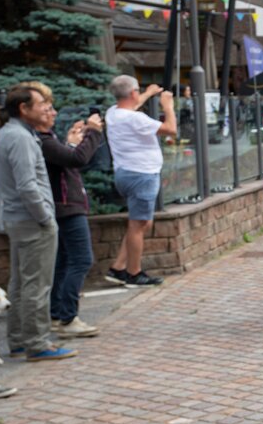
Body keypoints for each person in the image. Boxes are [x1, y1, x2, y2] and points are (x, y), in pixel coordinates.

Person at [0, 85, 75, 361]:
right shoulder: (20, 138)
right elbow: (27, 186)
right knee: (37, 284)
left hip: (18, 220)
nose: (47, 107)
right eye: (41, 103)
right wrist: (45, 217)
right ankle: (37, 344)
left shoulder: (9, 134)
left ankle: (18, 341)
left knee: (21, 282)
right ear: (24, 109)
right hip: (31, 221)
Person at [27, 82, 102, 339]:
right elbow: (77, 160)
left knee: (62, 263)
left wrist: (71, 143)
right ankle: (68, 318)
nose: (54, 113)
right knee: (81, 259)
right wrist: (93, 133)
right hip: (67, 208)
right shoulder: (43, 141)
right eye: (47, 109)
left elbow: (67, 162)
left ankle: (57, 315)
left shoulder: (47, 140)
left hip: (64, 206)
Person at [104, 75, 177, 287]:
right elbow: (170, 129)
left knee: (142, 222)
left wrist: (148, 93)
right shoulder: (137, 119)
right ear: (133, 93)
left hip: (125, 173)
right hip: (142, 175)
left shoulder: (113, 113)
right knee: (139, 224)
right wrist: (168, 106)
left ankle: (118, 267)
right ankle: (134, 274)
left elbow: (132, 103)